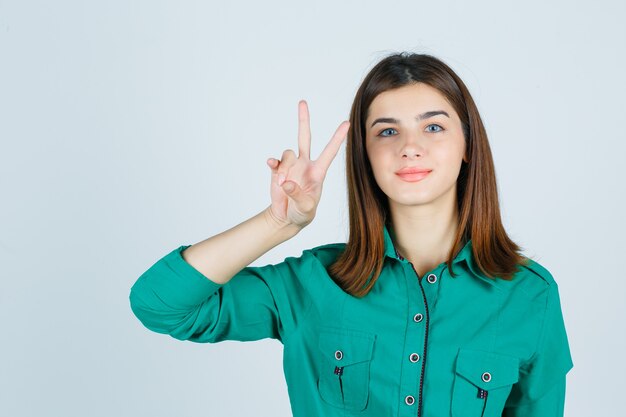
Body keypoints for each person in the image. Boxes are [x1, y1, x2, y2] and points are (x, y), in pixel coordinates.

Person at [129, 52, 574, 417]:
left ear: (468, 147)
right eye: (387, 131)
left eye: (433, 126)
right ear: (365, 156)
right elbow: (160, 306)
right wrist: (279, 223)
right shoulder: (311, 283)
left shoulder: (529, 296)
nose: (409, 146)